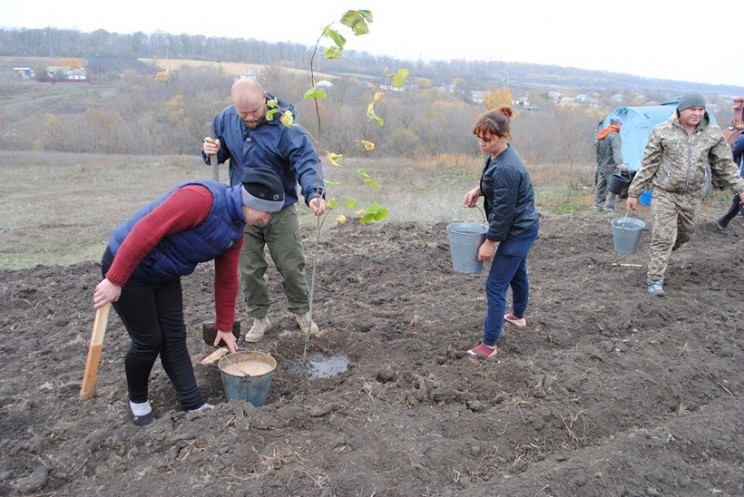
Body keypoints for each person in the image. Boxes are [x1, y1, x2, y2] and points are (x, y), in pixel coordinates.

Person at [93, 169, 286, 425]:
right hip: (129, 265)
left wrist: (225, 326)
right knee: (149, 340)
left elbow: (226, 278)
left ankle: (193, 403)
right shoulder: (200, 199)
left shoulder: (236, 230)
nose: (266, 219)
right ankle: (137, 399)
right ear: (251, 202)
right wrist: (115, 279)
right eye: (266, 211)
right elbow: (146, 230)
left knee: (174, 337)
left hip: (164, 271)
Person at [202, 77, 327, 343]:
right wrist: (211, 149)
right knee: (248, 269)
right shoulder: (225, 119)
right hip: (242, 210)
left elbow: (305, 160)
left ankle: (302, 313)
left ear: (264, 98)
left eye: (253, 112)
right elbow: (220, 150)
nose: (248, 117)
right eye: (242, 113)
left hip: (280, 210)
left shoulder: (284, 124)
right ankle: (260, 318)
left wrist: (313, 192)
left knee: (291, 265)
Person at [626, 91, 744, 296]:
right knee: (664, 236)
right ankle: (655, 280)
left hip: (692, 195)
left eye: (701, 110)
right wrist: (634, 192)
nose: (697, 114)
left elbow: (725, 164)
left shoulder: (712, 134)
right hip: (665, 192)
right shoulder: (662, 131)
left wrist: (740, 189)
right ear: (681, 110)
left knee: (685, 234)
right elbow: (648, 164)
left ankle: (660, 254)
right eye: (693, 109)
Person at [462, 106, 540, 358]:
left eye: (488, 139)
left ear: (503, 136)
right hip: (523, 226)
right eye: (479, 138)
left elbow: (504, 212)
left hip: (517, 230)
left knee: (495, 286)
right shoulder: (499, 155)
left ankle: (489, 345)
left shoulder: (506, 167)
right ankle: (517, 316)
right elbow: (498, 185)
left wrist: (490, 242)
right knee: (517, 273)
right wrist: (479, 190)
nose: (482, 144)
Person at [594, 116, 626, 212]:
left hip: (601, 165)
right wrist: (620, 164)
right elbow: (616, 150)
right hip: (611, 166)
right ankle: (608, 207)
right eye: (620, 124)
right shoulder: (614, 135)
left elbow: (597, 151)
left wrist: (599, 163)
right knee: (613, 187)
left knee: (600, 186)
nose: (620, 126)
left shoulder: (601, 135)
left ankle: (598, 206)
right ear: (616, 124)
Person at [713, 132, 744, 229]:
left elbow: (733, 154)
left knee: (739, 198)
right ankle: (723, 221)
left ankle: (723, 221)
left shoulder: (743, 138)